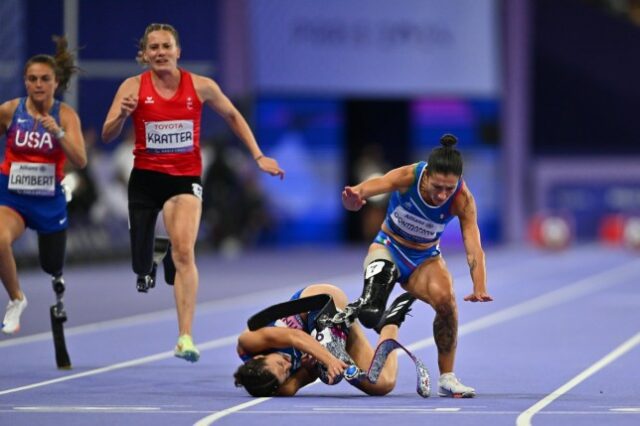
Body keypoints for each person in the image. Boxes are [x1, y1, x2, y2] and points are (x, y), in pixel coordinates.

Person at [101, 23, 284, 362]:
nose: (160, 52)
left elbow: (232, 115)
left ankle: (185, 335)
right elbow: (108, 134)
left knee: (185, 252)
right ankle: (154, 256)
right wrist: (122, 117)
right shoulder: (131, 87)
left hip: (183, 181)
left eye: (166, 46)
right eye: (153, 47)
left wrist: (258, 155)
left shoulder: (200, 86)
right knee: (141, 267)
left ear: (178, 51)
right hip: (144, 181)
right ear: (144, 55)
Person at [342, 134, 493, 398]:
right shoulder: (409, 175)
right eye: (437, 187)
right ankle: (380, 316)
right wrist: (355, 195)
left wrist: (479, 285)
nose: (442, 195)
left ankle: (447, 378)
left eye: (449, 188)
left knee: (447, 302)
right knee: (369, 314)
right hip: (388, 248)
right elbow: (377, 184)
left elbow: (473, 244)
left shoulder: (462, 199)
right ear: (426, 176)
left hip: (425, 258)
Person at [0, 36, 87, 334]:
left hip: (48, 199)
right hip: (13, 195)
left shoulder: (65, 115)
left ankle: (57, 278)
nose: (38, 84)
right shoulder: (10, 111)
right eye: (33, 79)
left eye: (45, 79)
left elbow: (81, 160)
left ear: (55, 82)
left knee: (51, 265)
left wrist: (60, 134)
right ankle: (16, 298)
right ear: (25, 82)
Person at [234, 283, 416, 396]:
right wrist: (308, 368)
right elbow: (309, 376)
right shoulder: (281, 386)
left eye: (280, 364)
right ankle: (391, 321)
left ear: (259, 358)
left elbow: (295, 336)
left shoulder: (249, 343)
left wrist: (328, 360)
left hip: (319, 301)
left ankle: (344, 320)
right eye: (286, 373)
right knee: (382, 383)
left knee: (329, 353)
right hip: (330, 333)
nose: (287, 366)